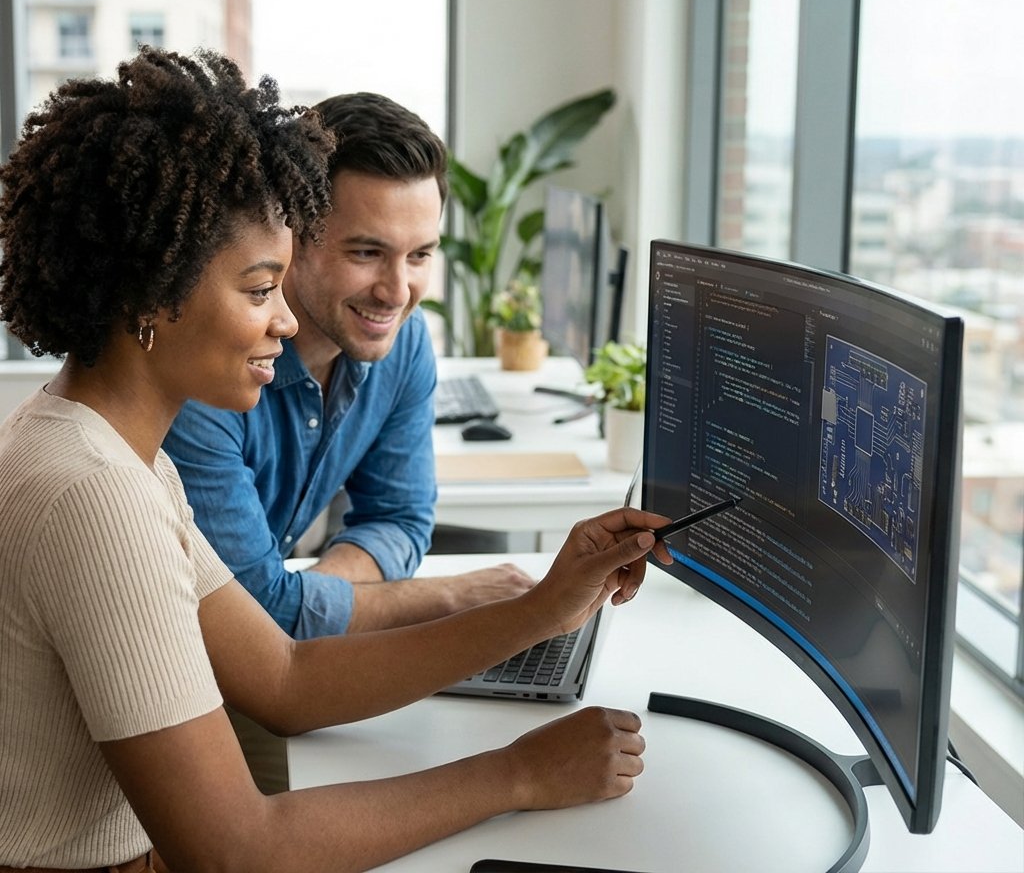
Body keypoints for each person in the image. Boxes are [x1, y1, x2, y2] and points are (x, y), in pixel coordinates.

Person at [0, 48, 672, 873]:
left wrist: (545, 609)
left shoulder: (118, 456)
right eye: (259, 290)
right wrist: (519, 774)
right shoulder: (92, 496)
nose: (285, 324)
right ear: (151, 297)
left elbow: (284, 677)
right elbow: (234, 851)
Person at [164, 91, 530, 638]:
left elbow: (398, 519)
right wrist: (453, 594)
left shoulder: (400, 345)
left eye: (420, 255)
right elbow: (255, 611)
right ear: (293, 237)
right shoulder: (204, 371)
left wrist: (306, 601)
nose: (397, 292)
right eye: (366, 253)